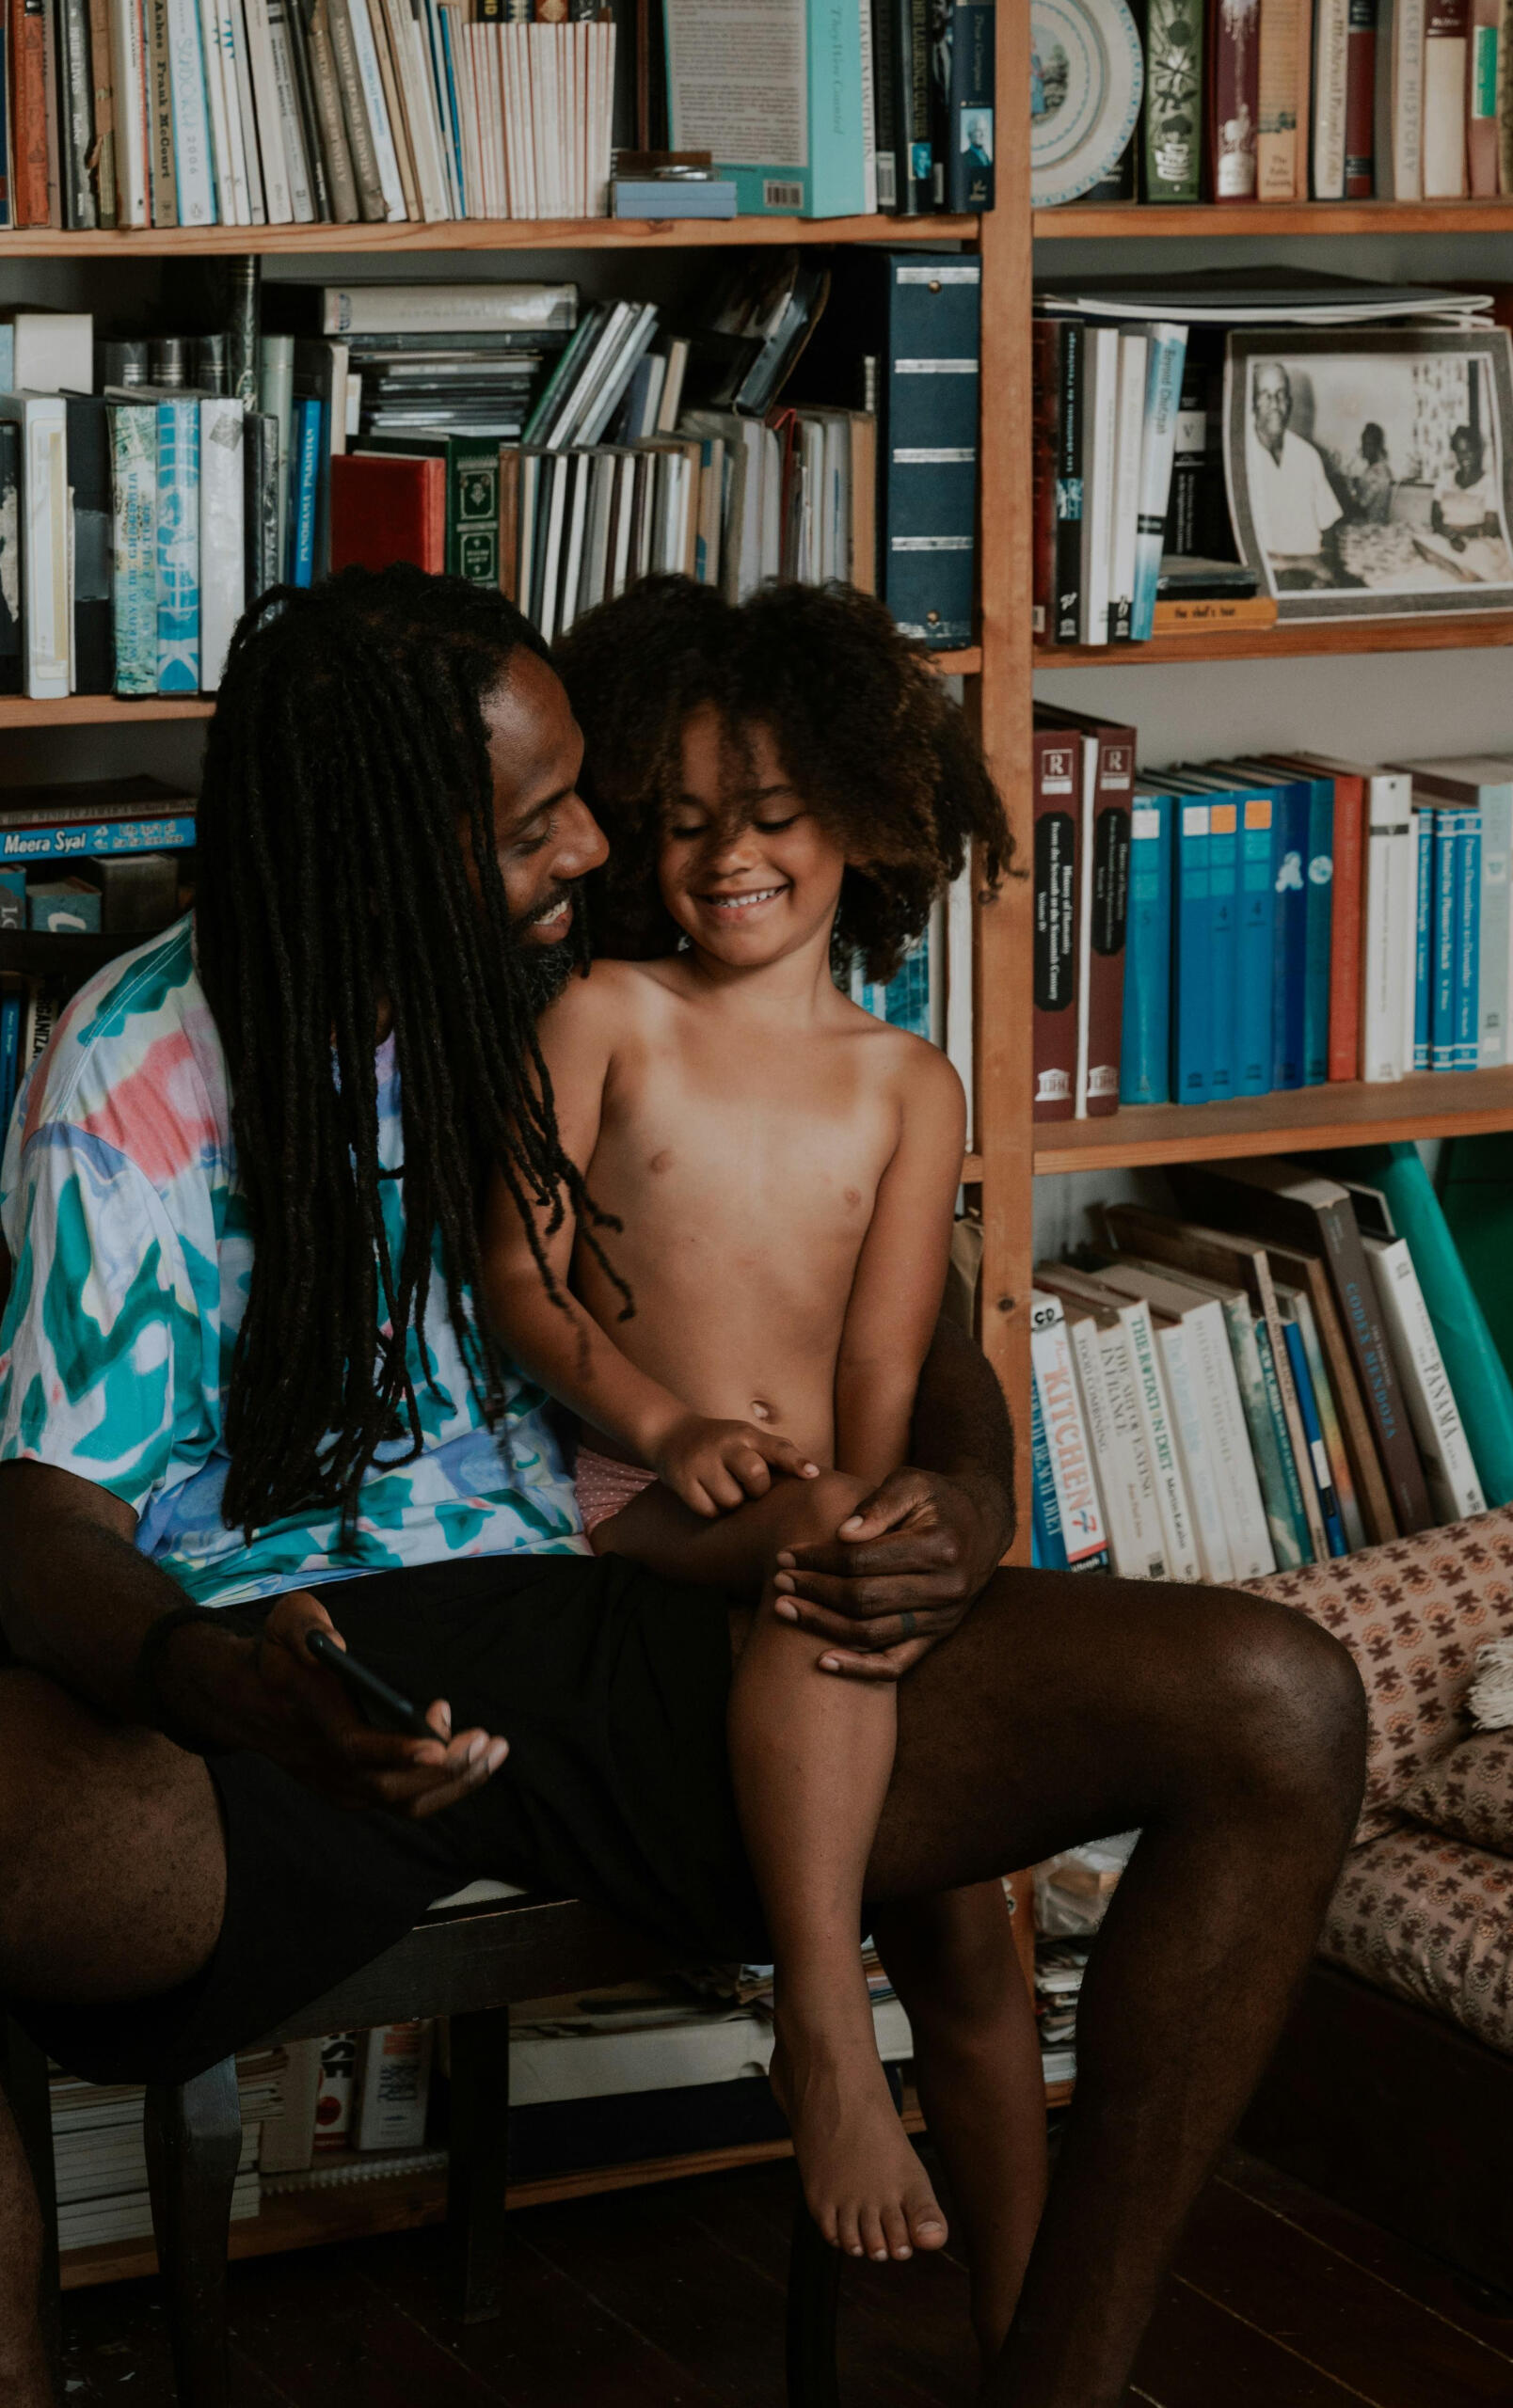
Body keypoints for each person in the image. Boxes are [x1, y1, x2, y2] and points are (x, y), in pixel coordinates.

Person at [0, 566, 1368, 2408]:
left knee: (1277, 1699)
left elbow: (894, 1316)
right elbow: (50, 1532)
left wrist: (973, 1502)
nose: (596, 843)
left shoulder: (625, 988)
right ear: (383, 851)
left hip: (631, 1619)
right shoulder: (135, 1056)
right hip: (267, 1696)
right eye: (539, 820)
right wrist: (225, 1685)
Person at [482, 578, 1035, 2287]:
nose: (725, 857)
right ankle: (815, 2018)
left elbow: (885, 1368)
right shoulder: (606, 1021)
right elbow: (517, 1280)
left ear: (865, 823)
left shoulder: (906, 1082)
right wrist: (666, 1419)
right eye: (684, 822)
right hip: (620, 1487)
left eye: (775, 818)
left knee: (978, 1915)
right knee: (817, 1559)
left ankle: (1030, 2332)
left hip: (802, 1502)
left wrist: (871, 1506)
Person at [1245, 359, 1342, 588]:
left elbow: (1328, 530)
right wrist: (1307, 563)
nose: (1275, 404)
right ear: (1252, 403)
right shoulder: (1238, 455)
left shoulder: (1307, 456)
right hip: (1263, 581)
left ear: (1289, 402)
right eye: (1265, 395)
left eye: (1280, 394)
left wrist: (1323, 570)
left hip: (1311, 579)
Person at [1349, 422, 1394, 523]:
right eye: (1363, 443)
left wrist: (1350, 488)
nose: (1364, 448)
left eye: (1368, 444)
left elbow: (1362, 505)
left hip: (1372, 527)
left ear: (1378, 447)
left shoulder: (1380, 472)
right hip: (1366, 524)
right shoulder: (1371, 469)